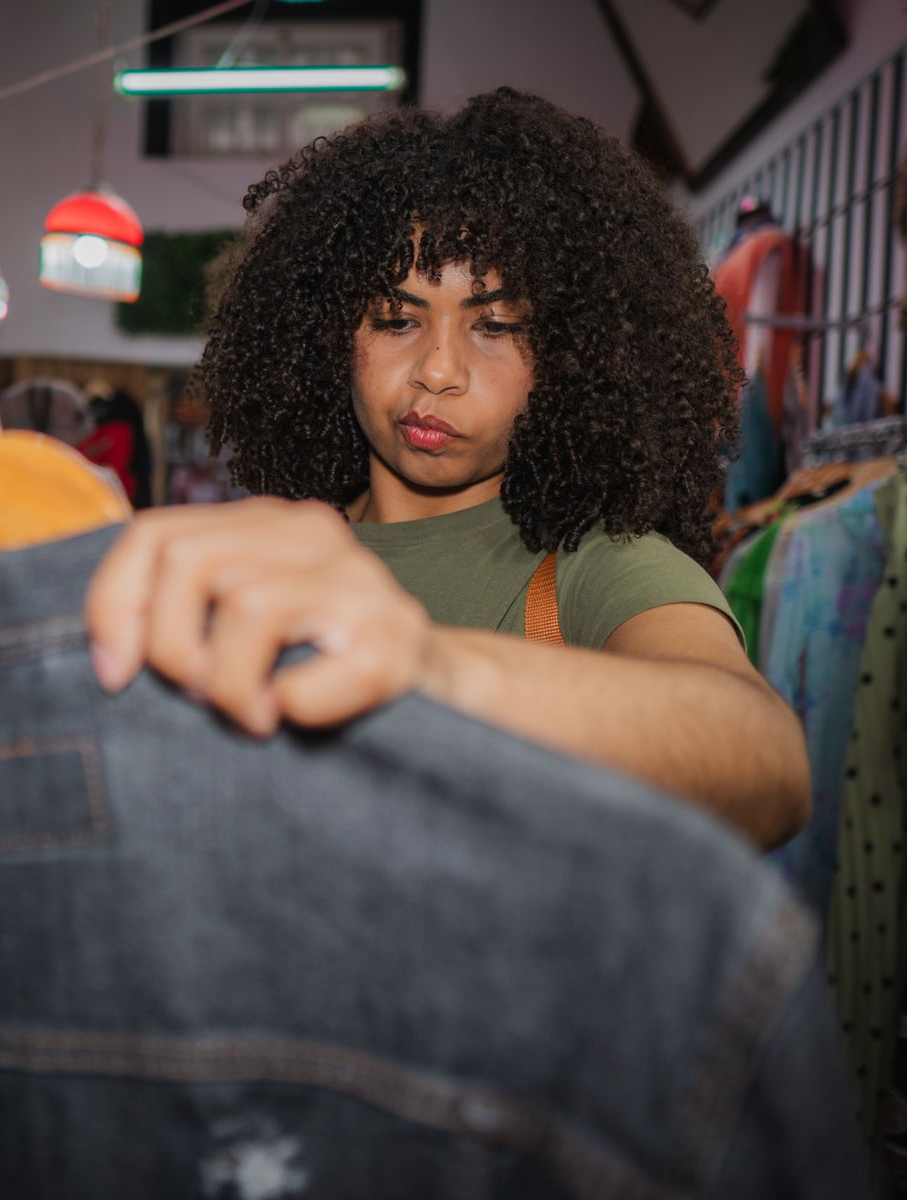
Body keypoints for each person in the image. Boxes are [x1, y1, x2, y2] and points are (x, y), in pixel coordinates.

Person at [84, 88, 810, 851]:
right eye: (396, 319)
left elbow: (766, 762)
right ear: (329, 333)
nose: (437, 371)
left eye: (495, 327)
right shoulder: (273, 555)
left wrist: (427, 670)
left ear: (574, 357)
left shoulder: (599, 566)